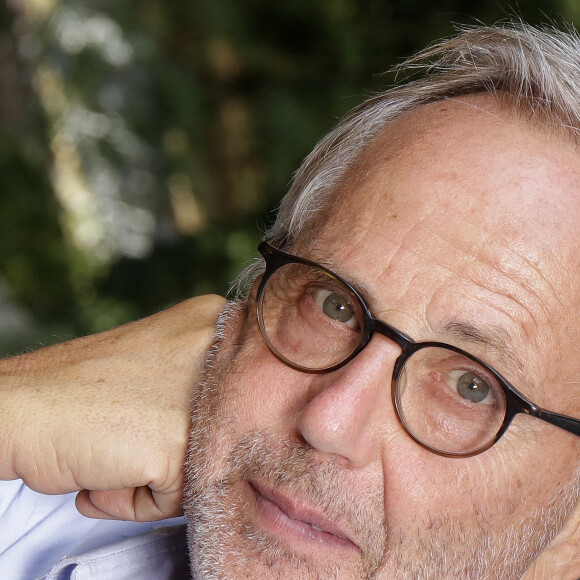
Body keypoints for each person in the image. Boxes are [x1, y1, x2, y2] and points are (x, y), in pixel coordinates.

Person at [1, 20, 580, 579]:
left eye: (471, 386)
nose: (328, 421)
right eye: (334, 305)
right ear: (250, 299)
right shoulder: (23, 496)